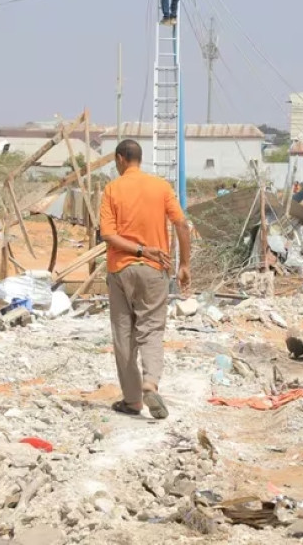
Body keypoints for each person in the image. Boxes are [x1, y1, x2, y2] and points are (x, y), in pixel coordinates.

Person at [99, 139, 191, 419]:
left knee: (123, 335)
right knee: (151, 330)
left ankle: (132, 400)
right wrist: (184, 263)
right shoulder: (160, 187)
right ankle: (150, 383)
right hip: (154, 269)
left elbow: (108, 235)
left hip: (120, 270)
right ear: (139, 158)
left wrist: (136, 249)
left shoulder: (112, 189)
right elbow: (181, 224)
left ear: (120, 159)